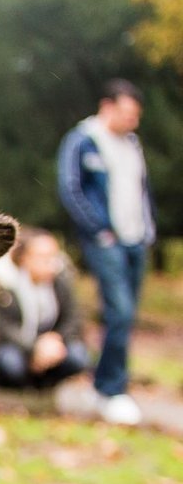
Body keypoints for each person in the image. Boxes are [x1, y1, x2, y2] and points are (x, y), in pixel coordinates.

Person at [57, 79, 155, 426]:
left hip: (136, 239)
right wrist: (99, 230)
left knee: (123, 317)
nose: (133, 121)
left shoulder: (132, 144)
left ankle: (102, 384)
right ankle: (113, 391)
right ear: (108, 107)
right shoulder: (83, 141)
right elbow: (71, 188)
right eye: (128, 113)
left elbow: (140, 191)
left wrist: (147, 229)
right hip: (107, 240)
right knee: (120, 312)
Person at [0, 229, 90, 391]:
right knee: (10, 362)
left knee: (78, 356)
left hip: (52, 347)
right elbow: (5, 328)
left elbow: (73, 319)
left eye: (53, 257)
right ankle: (17, 386)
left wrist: (55, 340)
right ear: (24, 258)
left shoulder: (61, 286)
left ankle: (46, 383)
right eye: (43, 258)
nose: (51, 264)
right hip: (20, 347)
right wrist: (35, 347)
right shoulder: (7, 287)